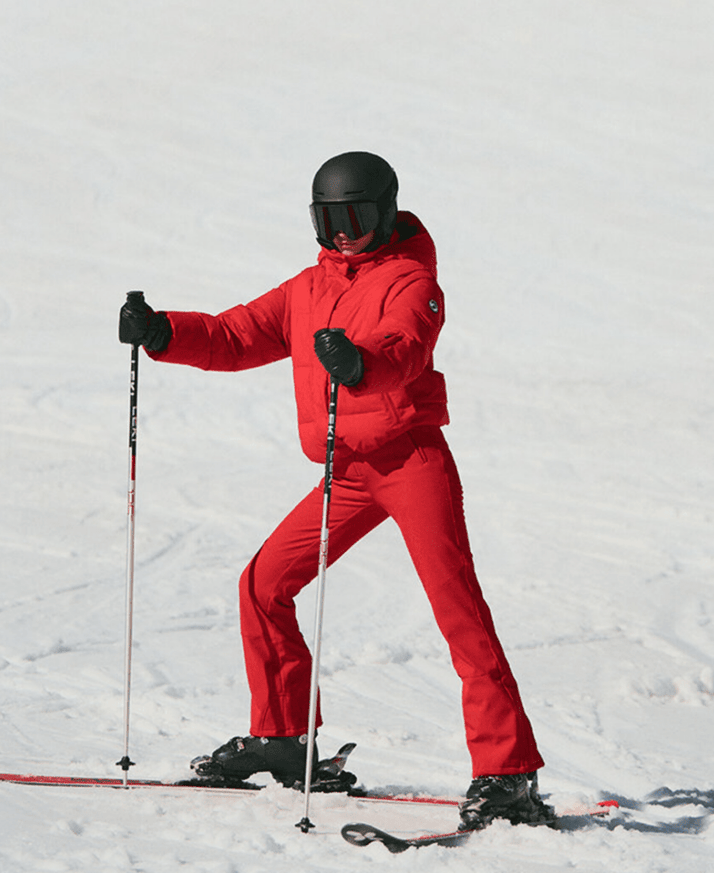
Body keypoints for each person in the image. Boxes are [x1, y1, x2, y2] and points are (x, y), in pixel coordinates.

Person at [118, 151, 551, 829]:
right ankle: (283, 741)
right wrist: (163, 331)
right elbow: (236, 334)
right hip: (346, 471)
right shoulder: (307, 287)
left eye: (357, 217)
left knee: (458, 611)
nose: (344, 233)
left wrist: (363, 364)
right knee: (263, 584)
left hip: (411, 462)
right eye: (329, 221)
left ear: (385, 213)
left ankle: (508, 774)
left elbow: (407, 344)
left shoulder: (414, 280)